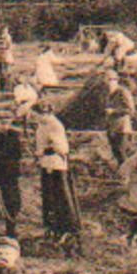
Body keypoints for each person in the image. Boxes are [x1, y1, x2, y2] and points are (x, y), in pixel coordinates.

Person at [33, 102, 81, 249]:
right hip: (46, 164)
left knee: (60, 196)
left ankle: (66, 228)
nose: (34, 118)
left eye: (36, 115)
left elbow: (61, 148)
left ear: (45, 113)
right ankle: (52, 227)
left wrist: (44, 151)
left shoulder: (54, 125)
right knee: (49, 197)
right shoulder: (42, 125)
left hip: (55, 165)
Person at [103, 72, 137, 163]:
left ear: (116, 81)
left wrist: (114, 111)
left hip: (122, 128)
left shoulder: (123, 92)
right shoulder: (108, 93)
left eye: (112, 80)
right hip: (112, 128)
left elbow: (130, 110)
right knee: (116, 153)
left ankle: (125, 174)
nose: (109, 83)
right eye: (107, 80)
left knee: (122, 152)